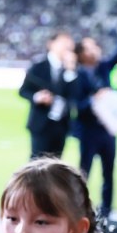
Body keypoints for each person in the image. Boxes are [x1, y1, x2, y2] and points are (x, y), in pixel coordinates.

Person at [72, 9, 117, 218]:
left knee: (109, 173)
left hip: (107, 130)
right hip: (88, 131)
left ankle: (106, 212)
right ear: (82, 53)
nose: (96, 48)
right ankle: (79, 208)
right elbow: (77, 105)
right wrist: (95, 99)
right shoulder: (76, 75)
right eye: (91, 46)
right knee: (84, 172)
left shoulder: (103, 67)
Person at [19, 31, 78, 159]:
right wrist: (37, 97)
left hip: (61, 125)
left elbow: (74, 95)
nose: (66, 46)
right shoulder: (38, 66)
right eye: (62, 42)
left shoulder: (71, 68)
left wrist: (70, 70)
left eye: (68, 43)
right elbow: (23, 91)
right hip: (41, 124)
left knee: (56, 166)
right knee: (37, 165)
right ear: (51, 44)